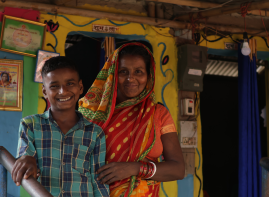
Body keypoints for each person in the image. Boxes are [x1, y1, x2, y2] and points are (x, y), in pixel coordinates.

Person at [79, 43, 185, 197]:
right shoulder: (92, 113)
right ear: (113, 74)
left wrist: (136, 168)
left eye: (138, 71)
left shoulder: (158, 113)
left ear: (149, 75)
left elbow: (178, 169)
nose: (131, 78)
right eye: (123, 71)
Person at [13, 56, 110, 197]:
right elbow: (25, 159)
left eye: (70, 83)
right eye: (54, 86)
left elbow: (98, 180)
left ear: (80, 87)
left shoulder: (95, 133)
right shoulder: (30, 125)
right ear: (45, 91)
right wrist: (27, 161)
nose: (62, 91)